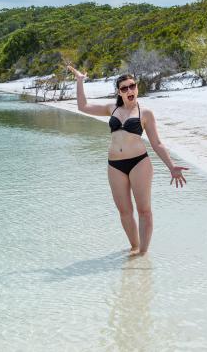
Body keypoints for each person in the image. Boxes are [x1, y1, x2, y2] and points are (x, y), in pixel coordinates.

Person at [67, 64, 189, 256]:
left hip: (139, 163)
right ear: (119, 92)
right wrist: (80, 81)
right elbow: (83, 106)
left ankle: (143, 254)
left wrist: (172, 166)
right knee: (124, 212)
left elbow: (156, 143)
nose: (130, 90)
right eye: (125, 88)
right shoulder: (112, 108)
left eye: (132, 86)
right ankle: (135, 249)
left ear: (137, 87)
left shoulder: (145, 113)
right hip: (115, 165)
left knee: (144, 211)